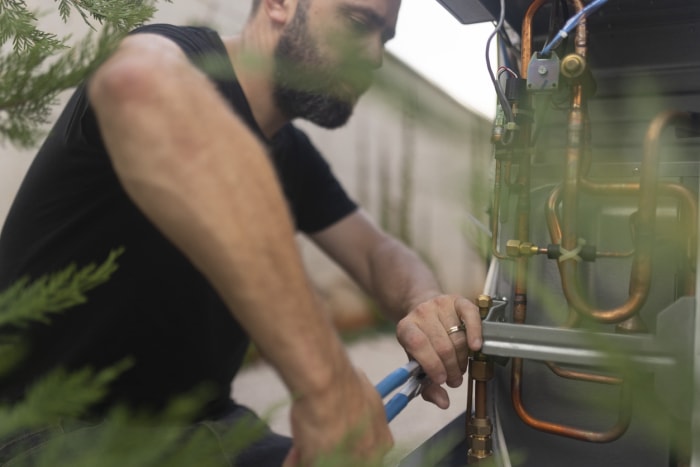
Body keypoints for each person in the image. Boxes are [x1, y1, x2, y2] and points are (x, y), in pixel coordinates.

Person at [0, 0, 484, 465]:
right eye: (359, 23)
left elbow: (377, 251)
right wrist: (324, 378)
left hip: (203, 427)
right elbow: (134, 84)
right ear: (279, 3)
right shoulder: (180, 58)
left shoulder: (291, 155)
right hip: (47, 430)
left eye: (386, 38)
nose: (376, 57)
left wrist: (425, 302)